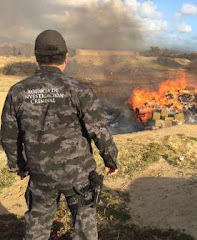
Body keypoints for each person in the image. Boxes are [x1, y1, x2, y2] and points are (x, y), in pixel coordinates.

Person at [0, 29, 119, 240]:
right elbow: (98, 129)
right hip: (78, 174)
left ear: (36, 57)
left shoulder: (17, 91)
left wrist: (17, 165)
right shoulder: (79, 89)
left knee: (37, 225)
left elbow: (9, 134)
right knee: (85, 225)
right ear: (66, 57)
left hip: (41, 172)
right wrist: (110, 159)